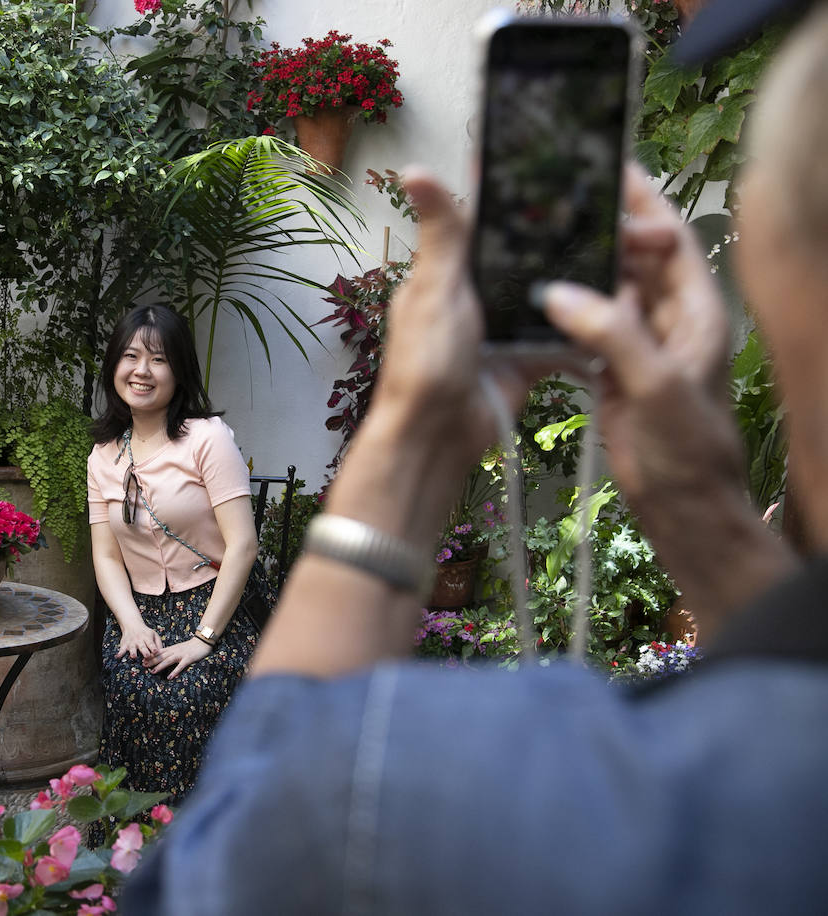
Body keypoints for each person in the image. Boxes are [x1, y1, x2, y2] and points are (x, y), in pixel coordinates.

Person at [125, 1, 828, 911]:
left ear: (775, 259)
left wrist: (411, 437)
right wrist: (702, 510)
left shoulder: (449, 803)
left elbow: (236, 845)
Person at [86, 304, 260, 805]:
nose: (141, 371)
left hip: (215, 604)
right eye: (130, 356)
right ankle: (129, 839)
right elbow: (107, 557)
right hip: (139, 611)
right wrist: (132, 624)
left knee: (188, 693)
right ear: (114, 366)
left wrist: (204, 639)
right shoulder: (102, 456)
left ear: (179, 370)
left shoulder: (206, 438)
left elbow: (243, 545)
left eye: (158, 359)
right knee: (129, 685)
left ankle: (202, 837)